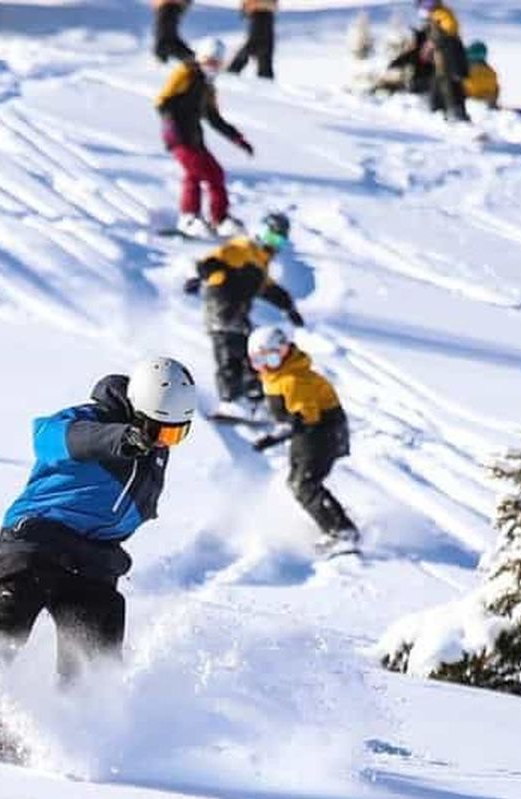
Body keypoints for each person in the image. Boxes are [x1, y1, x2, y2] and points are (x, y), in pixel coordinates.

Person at [0, 358, 196, 684]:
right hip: (41, 535)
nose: (163, 441)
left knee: (98, 645)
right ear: (137, 410)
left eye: (176, 434)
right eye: (159, 430)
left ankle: (79, 716)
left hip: (96, 558)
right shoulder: (91, 419)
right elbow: (48, 437)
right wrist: (117, 438)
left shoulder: (154, 452)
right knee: (12, 605)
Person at [183, 212, 303, 416]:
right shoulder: (244, 248)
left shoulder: (260, 264)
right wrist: (198, 275)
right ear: (260, 232)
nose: (274, 244)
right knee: (229, 351)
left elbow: (270, 290)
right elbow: (215, 260)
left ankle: (252, 398)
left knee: (253, 353)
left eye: (280, 240)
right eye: (271, 237)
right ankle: (230, 401)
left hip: (238, 314)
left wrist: (289, 308)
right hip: (221, 308)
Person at [247, 326, 358, 545]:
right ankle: (330, 514)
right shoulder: (276, 375)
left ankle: (341, 530)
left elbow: (304, 417)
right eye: (259, 361)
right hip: (308, 434)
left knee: (305, 485)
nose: (266, 366)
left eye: (271, 358)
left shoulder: (295, 379)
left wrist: (273, 437)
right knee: (297, 483)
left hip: (322, 432)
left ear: (285, 351)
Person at [156, 37, 254, 238]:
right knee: (196, 173)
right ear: (200, 59)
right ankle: (189, 218)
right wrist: (170, 127)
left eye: (217, 63)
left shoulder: (209, 87)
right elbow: (163, 100)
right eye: (209, 61)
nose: (213, 66)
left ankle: (220, 219)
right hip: (179, 136)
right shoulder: (185, 73)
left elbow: (213, 118)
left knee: (215, 173)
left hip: (194, 138)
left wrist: (238, 139)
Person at [417, 0, 470, 122]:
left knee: (449, 82)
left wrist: (432, 43)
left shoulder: (443, 13)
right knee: (440, 81)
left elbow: (450, 29)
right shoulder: (434, 15)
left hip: (450, 55)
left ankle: (453, 112)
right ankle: (438, 110)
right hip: (441, 57)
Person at [227, 0, 277, 79]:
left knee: (264, 51)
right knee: (255, 45)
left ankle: (266, 79)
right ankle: (231, 72)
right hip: (258, 14)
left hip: (265, 14)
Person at [463, 40, 499, 108]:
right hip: (486, 103)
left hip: (472, 104)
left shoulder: (468, 71)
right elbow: (495, 90)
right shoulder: (491, 72)